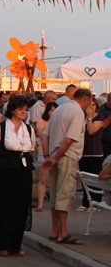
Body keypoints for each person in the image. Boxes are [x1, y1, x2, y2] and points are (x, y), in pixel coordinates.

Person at [0, 95, 35, 256]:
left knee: (20, 207)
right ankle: (2, 244)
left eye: (25, 110)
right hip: (5, 172)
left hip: (23, 171)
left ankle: (15, 244)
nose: (24, 112)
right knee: (4, 206)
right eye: (20, 109)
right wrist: (4, 162)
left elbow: (30, 149)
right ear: (12, 110)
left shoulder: (29, 129)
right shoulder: (0, 128)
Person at [41, 88, 93, 245]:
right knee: (65, 193)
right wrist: (55, 158)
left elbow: (45, 135)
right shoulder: (77, 112)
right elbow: (69, 139)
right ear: (85, 100)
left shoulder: (59, 109)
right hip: (66, 156)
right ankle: (63, 233)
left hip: (53, 154)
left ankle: (55, 230)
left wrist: (48, 156)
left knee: (55, 194)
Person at [78, 98, 105, 210]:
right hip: (83, 152)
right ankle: (86, 202)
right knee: (84, 178)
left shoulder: (99, 118)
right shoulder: (82, 118)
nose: (91, 107)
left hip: (95, 152)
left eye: (93, 105)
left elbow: (91, 131)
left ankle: (96, 201)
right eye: (89, 105)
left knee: (94, 178)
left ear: (96, 107)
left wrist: (89, 118)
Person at [35, 102, 58, 211]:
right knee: (43, 179)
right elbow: (41, 134)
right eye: (51, 110)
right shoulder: (42, 121)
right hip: (43, 152)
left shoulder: (60, 122)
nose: (53, 112)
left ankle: (56, 203)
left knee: (56, 179)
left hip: (56, 152)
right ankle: (40, 204)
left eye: (55, 110)